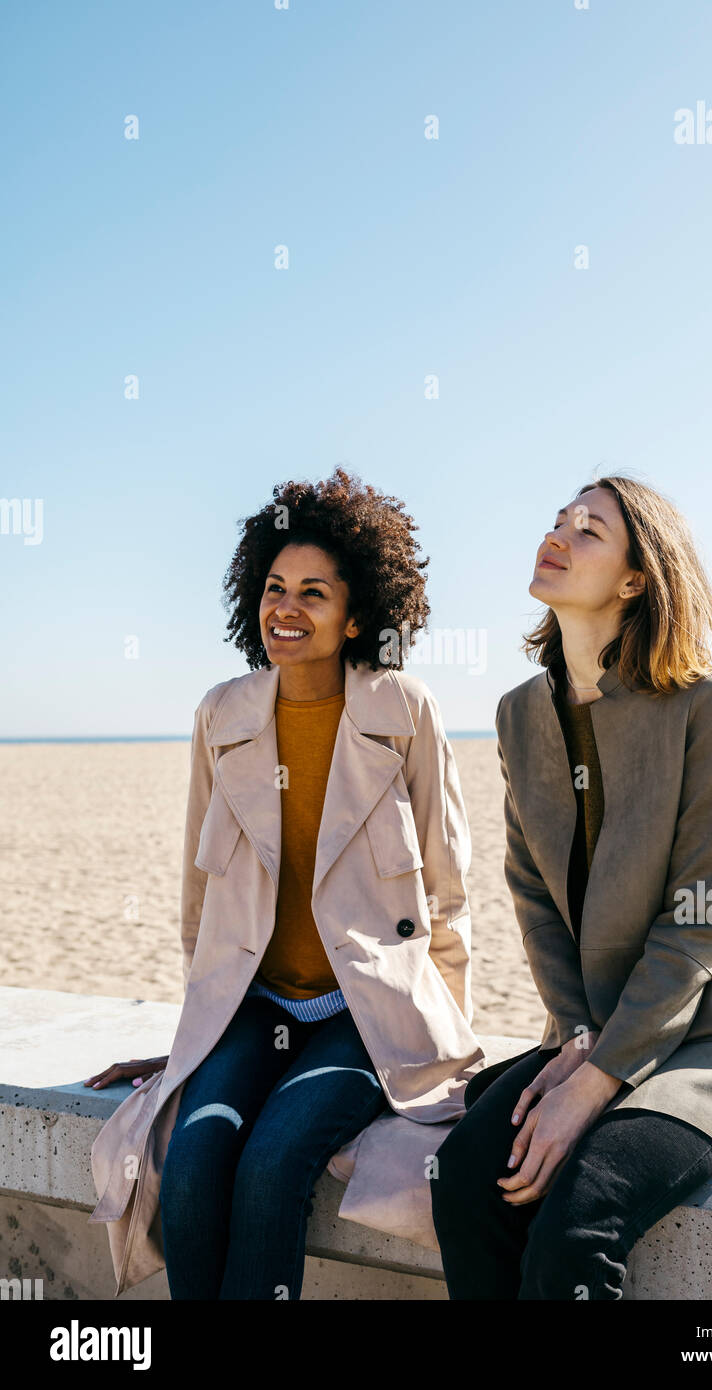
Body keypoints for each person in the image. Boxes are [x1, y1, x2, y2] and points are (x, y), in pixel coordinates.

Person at [85, 467, 484, 1300]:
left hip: (364, 1011)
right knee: (193, 1161)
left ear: (357, 614)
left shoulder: (403, 710)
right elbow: (200, 905)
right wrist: (193, 1036)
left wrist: (439, 1045)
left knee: (273, 1162)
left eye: (313, 592)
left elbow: (447, 894)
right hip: (255, 1005)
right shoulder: (220, 715)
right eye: (274, 588)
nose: (286, 608)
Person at [430, 474, 712, 1301]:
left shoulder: (704, 700)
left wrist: (599, 1078)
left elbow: (702, 915)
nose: (560, 535)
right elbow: (531, 891)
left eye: (591, 530)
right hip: (592, 1021)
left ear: (636, 578)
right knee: (466, 1176)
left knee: (578, 1217)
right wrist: (574, 1039)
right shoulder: (517, 714)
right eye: (559, 520)